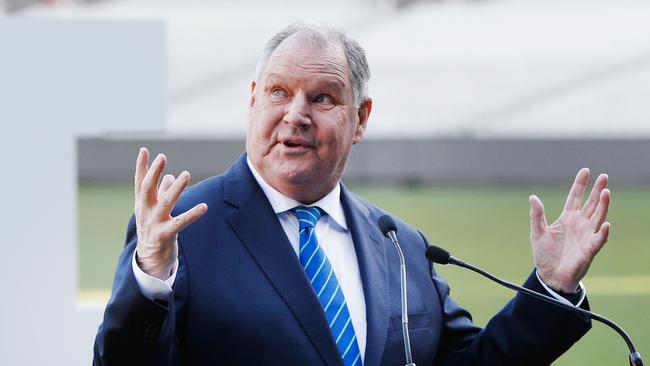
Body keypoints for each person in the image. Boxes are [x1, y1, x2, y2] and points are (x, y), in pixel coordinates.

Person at [93, 22, 611, 366]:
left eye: (321, 98)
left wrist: (551, 288)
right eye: (278, 92)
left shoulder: (402, 247)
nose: (295, 114)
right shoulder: (181, 229)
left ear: (360, 118)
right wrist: (151, 280)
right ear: (252, 101)